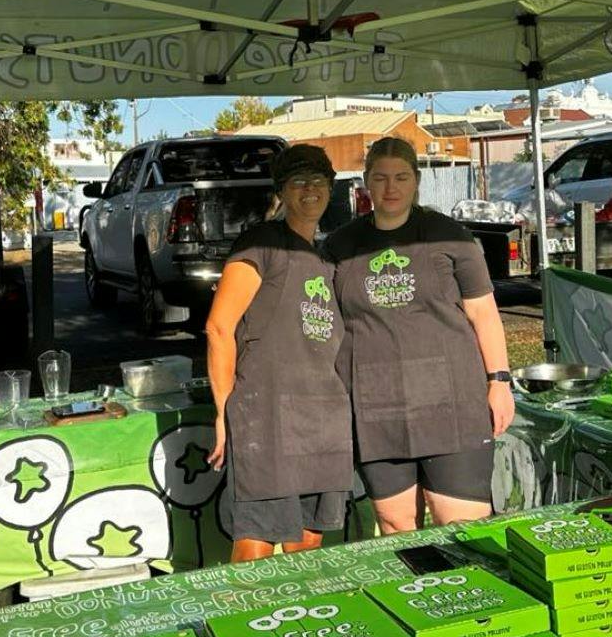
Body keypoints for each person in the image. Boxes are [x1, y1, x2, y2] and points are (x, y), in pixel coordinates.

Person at [327, 137, 515, 534]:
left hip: (452, 402)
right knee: (395, 524)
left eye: (401, 177)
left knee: (462, 526)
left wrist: (499, 381)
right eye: (380, 178)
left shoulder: (450, 237)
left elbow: (483, 311)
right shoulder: (340, 245)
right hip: (376, 406)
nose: (390, 188)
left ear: (416, 181)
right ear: (365, 183)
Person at [205, 145, 353, 562]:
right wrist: (224, 412)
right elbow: (219, 328)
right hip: (268, 419)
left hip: (324, 419)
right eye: (299, 182)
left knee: (307, 546)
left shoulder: (326, 258)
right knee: (257, 547)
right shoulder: (262, 244)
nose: (311, 190)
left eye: (319, 181)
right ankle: (243, 625)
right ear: (281, 192)